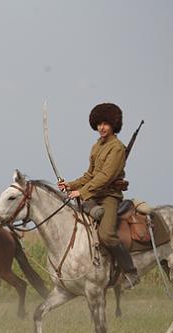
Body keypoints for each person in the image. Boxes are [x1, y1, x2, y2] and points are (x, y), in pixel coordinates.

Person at [58, 102, 139, 288]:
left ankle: (130, 272)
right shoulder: (96, 146)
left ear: (114, 125)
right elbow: (90, 175)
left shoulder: (117, 148)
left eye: (106, 123)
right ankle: (93, 211)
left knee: (107, 235)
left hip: (109, 196)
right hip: (94, 195)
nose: (101, 127)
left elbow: (105, 177)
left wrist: (81, 192)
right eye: (99, 123)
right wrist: (69, 184)